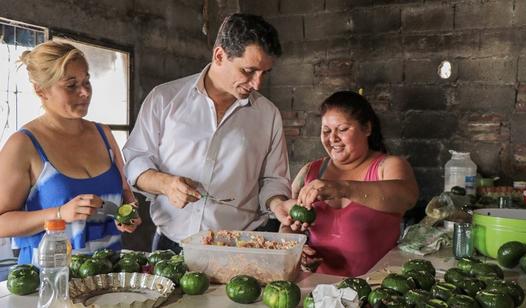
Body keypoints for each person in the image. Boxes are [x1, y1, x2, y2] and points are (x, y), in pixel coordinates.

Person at [123, 13, 291, 253]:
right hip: (170, 245)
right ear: (220, 55)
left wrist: (277, 204)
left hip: (240, 248)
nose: (257, 84)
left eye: (265, 73)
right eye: (248, 71)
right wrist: (166, 184)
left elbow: (274, 180)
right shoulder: (164, 99)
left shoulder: (268, 114)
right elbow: (135, 162)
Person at [0, 41, 141, 264]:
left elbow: (126, 194)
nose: (84, 92)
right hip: (48, 283)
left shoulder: (103, 134)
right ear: (40, 90)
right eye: (71, 85)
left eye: (87, 82)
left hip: (108, 279)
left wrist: (129, 213)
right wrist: (58, 214)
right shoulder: (23, 145)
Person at [273, 91, 419, 277]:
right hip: (320, 288)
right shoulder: (310, 171)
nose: (332, 138)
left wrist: (342, 188)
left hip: (377, 287)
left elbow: (407, 197)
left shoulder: (387, 166)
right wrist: (294, 249)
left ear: (366, 128)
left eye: (342, 129)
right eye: (326, 131)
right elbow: (289, 224)